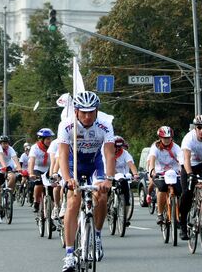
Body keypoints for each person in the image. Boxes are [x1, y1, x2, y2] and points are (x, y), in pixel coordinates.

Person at [58, 91, 114, 271]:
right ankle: (69, 254)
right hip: (75, 164)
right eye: (84, 112)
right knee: (73, 201)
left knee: (102, 196)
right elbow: (63, 155)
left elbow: (109, 153)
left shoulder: (105, 125)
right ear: (76, 111)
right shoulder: (67, 126)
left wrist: (109, 179)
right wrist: (67, 179)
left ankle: (97, 235)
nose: (88, 116)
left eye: (92, 111)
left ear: (97, 111)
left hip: (95, 163)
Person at [147, 126, 182, 225]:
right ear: (160, 138)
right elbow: (152, 158)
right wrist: (152, 171)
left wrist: (183, 170)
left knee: (180, 191)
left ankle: (178, 213)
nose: (167, 140)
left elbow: (181, 158)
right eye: (164, 138)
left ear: (172, 138)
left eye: (169, 138)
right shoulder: (155, 147)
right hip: (159, 172)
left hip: (174, 172)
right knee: (162, 188)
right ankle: (160, 214)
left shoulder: (176, 147)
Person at [29, 128, 54, 212]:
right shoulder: (35, 147)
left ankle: (52, 212)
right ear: (41, 139)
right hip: (38, 168)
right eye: (47, 139)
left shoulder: (53, 146)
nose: (49, 141)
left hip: (49, 169)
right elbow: (32, 161)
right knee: (39, 184)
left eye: (50, 138)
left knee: (52, 189)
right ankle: (36, 201)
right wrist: (31, 173)